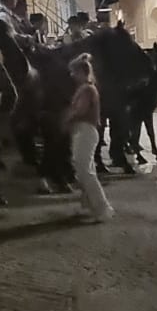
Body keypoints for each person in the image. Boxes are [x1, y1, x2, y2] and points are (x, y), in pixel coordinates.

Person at [64, 55, 115, 221]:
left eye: (74, 72)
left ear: (81, 72)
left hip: (84, 131)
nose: (72, 75)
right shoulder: (88, 88)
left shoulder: (86, 89)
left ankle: (102, 208)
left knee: (85, 171)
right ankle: (89, 205)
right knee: (85, 170)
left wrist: (66, 118)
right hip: (84, 131)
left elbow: (80, 110)